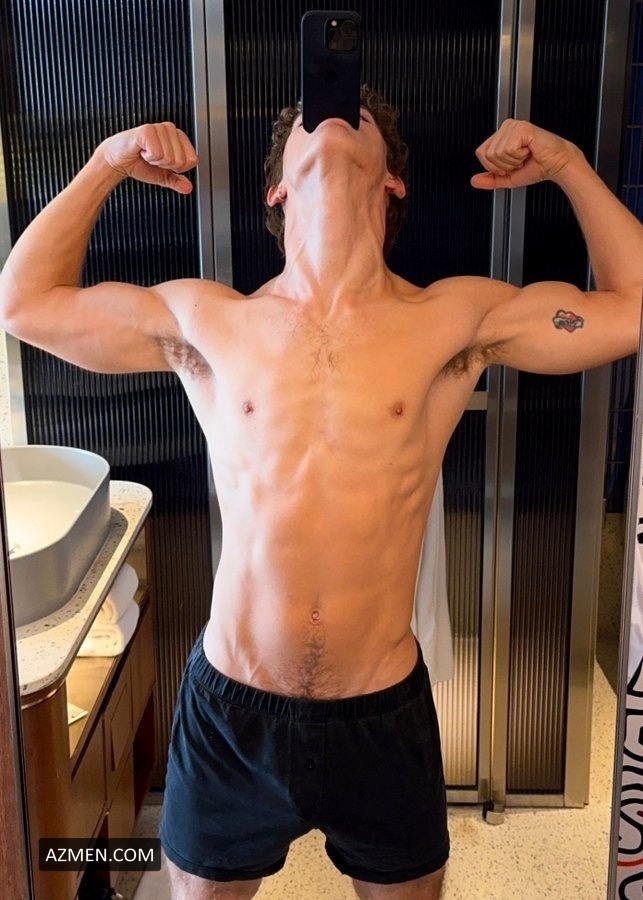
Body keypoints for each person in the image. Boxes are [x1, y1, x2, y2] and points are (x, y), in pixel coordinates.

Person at [1, 85, 641, 900]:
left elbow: (631, 308)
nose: (332, 111)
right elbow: (24, 305)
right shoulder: (206, 321)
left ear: (392, 181)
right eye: (311, 113)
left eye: (356, 114)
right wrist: (106, 163)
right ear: (276, 188)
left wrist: (568, 165)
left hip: (382, 716)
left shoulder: (455, 318)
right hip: (230, 712)